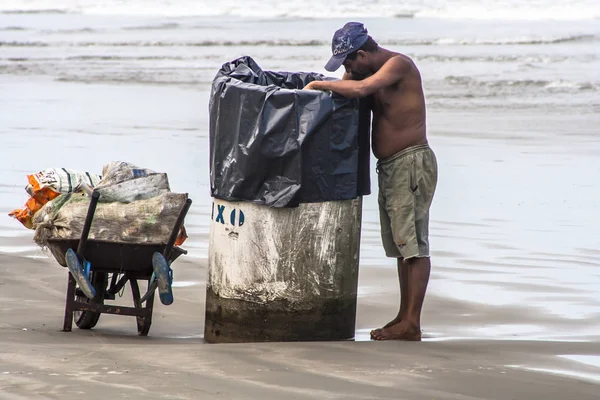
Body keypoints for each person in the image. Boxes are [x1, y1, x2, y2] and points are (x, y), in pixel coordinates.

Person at [305, 22, 438, 341]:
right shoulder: (365, 72)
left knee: (414, 246)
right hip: (391, 167)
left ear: (362, 54)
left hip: (410, 163)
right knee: (401, 245)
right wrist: (342, 79)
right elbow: (351, 85)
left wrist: (319, 86)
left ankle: (412, 323)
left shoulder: (398, 65)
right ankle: (403, 317)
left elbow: (362, 90)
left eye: (349, 62)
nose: (347, 69)